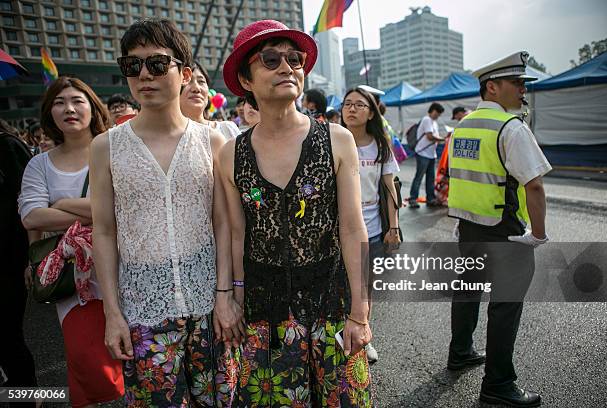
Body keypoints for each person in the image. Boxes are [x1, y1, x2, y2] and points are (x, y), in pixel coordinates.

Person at [219, 19, 373, 405]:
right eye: (271, 59)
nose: (287, 67)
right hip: (264, 308)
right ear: (246, 80)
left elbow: (354, 230)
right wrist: (231, 298)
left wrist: (361, 311)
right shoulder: (230, 154)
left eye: (295, 59)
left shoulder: (336, 140)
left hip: (331, 301)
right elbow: (236, 234)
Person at [89, 18, 241, 406]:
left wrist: (226, 295)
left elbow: (223, 223)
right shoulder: (106, 146)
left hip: (209, 303)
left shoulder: (214, 139)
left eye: (157, 64)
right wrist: (112, 313)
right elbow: (104, 232)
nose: (144, 75)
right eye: (132, 65)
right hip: (142, 307)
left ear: (184, 73)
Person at [447, 51, 551, 408]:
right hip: (505, 231)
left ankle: (460, 352)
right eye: (517, 83)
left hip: (469, 228)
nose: (523, 90)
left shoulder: (463, 126)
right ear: (493, 87)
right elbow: (534, 186)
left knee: (468, 292)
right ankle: (498, 385)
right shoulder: (511, 127)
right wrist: (537, 235)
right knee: (505, 307)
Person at [18, 77, 124, 407]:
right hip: (73, 279)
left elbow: (128, 208)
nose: (69, 108)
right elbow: (32, 217)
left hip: (129, 267)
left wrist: (61, 205)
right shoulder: (40, 164)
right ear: (50, 113)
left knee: (137, 358)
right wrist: (98, 213)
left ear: (93, 106)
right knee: (87, 360)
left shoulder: (117, 151)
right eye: (60, 102)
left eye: (77, 100)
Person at [341, 87, 401, 365]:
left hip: (373, 229)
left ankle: (364, 339)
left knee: (366, 287)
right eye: (347, 104)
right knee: (341, 286)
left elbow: (390, 188)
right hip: (338, 230)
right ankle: (342, 334)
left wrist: (394, 227)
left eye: (359, 105)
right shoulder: (331, 140)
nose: (352, 109)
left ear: (371, 112)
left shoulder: (380, 145)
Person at [0, 119, 38, 402]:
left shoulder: (7, 146)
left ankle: (26, 396)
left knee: (7, 336)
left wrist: (31, 257)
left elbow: (31, 204)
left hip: (8, 259)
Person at [180, 61, 241, 140]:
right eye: (188, 81)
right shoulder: (166, 137)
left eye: (201, 81)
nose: (196, 88)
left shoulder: (227, 129)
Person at [408, 102, 445, 208]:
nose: (438, 115)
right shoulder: (427, 120)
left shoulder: (434, 122)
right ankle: (413, 198)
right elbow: (430, 136)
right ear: (433, 110)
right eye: (437, 113)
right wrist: (443, 139)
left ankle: (431, 198)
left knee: (430, 177)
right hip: (423, 153)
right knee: (419, 176)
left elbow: (434, 136)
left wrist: (440, 139)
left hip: (431, 154)